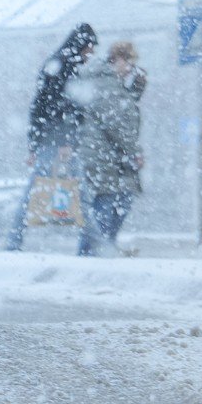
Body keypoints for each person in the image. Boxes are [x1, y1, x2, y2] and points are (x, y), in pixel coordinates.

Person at [5, 24, 98, 251]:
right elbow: (61, 108)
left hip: (50, 141)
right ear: (81, 45)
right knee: (79, 194)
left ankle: (14, 241)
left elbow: (39, 108)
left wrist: (34, 144)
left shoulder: (58, 65)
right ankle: (98, 245)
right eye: (90, 48)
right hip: (57, 143)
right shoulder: (65, 68)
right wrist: (66, 141)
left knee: (36, 192)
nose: (91, 53)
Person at [74, 41, 146, 257]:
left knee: (116, 200)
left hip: (106, 153)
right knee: (108, 203)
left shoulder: (111, 82)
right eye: (129, 63)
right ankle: (93, 253)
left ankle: (100, 250)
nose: (131, 69)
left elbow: (122, 108)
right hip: (101, 153)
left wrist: (136, 88)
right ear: (119, 59)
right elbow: (116, 121)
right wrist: (134, 152)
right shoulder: (107, 81)